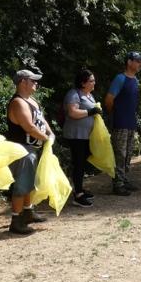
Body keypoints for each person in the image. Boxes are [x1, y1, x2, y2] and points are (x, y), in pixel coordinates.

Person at [6, 69, 53, 234]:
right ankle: (16, 220)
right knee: (22, 184)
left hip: (31, 148)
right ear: (22, 82)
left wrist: (50, 133)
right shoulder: (18, 103)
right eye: (33, 80)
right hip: (21, 150)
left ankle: (28, 211)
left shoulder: (31, 100)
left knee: (29, 183)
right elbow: (29, 127)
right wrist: (46, 138)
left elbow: (41, 119)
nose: (36, 83)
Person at [104, 51, 141, 195]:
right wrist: (115, 114)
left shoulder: (135, 80)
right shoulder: (120, 78)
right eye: (138, 61)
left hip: (131, 123)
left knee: (127, 154)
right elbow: (109, 100)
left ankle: (124, 180)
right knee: (119, 154)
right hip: (120, 123)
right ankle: (118, 184)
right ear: (129, 62)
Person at [62, 69, 101, 208]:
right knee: (78, 163)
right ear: (83, 83)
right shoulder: (74, 94)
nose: (94, 83)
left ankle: (80, 189)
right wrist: (91, 111)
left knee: (82, 163)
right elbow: (72, 112)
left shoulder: (89, 95)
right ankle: (78, 195)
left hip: (86, 136)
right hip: (76, 135)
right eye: (91, 80)